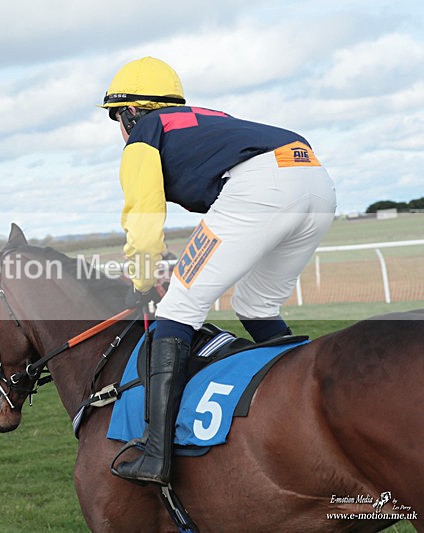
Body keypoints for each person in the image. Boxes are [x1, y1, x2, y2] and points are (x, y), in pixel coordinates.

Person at [101, 57, 336, 484]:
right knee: (255, 302)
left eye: (117, 118)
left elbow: (144, 215)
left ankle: (156, 454)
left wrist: (141, 278)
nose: (119, 128)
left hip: (262, 186)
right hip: (315, 178)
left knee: (179, 306)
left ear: (131, 112)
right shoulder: (206, 120)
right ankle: (307, 400)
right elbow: (224, 212)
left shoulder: (143, 136)